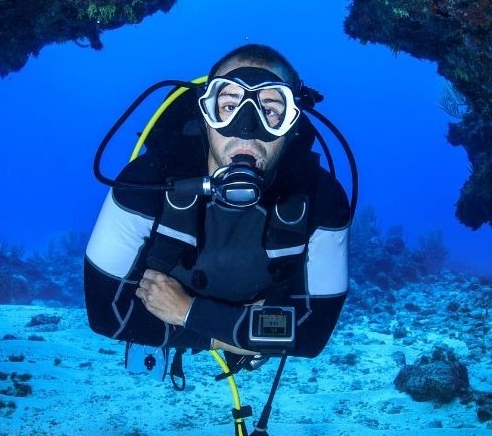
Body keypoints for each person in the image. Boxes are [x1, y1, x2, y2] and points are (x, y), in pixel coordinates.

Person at [83, 44, 351, 375]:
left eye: (270, 110)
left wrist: (186, 312)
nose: (246, 129)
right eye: (228, 106)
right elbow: (106, 315)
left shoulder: (323, 201)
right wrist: (244, 335)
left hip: (169, 314)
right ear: (205, 114)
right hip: (244, 324)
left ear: (293, 123)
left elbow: (312, 338)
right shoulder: (144, 184)